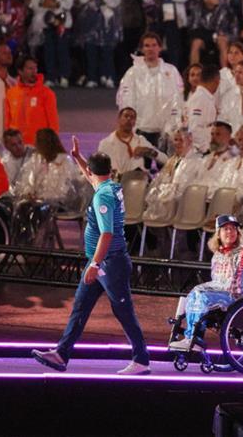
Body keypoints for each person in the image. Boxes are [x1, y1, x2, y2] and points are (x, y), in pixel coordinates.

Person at [32, 146, 151, 375]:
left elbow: (107, 234)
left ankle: (142, 360)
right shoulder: (110, 184)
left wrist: (95, 264)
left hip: (110, 263)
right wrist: (77, 157)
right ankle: (61, 354)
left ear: (93, 172)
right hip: (102, 261)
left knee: (123, 312)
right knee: (80, 307)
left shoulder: (103, 196)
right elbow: (92, 175)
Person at [168, 215, 243, 350]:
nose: (230, 232)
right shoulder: (219, 254)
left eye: (233, 229)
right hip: (223, 294)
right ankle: (184, 336)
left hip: (236, 298)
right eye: (226, 229)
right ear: (218, 234)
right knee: (190, 296)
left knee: (200, 295)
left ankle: (194, 338)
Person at [12, 129, 82, 246]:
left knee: (37, 210)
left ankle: (37, 245)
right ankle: (23, 245)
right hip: (39, 200)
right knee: (21, 207)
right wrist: (28, 192)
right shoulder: (37, 159)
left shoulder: (64, 161)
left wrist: (43, 197)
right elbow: (28, 179)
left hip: (59, 202)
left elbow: (64, 189)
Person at [116, 32, 184, 151]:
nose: (151, 49)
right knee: (140, 167)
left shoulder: (171, 71)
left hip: (165, 130)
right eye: (147, 45)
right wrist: (130, 124)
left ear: (160, 47)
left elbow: (179, 99)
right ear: (142, 49)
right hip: (141, 128)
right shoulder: (133, 73)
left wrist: (174, 124)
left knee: (164, 166)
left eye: (154, 45)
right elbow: (125, 100)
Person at [78, 0, 122, 88]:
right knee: (91, 48)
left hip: (106, 20)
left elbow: (116, 0)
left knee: (107, 49)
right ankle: (92, 77)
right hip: (92, 18)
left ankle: (108, 76)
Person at [29, 0, 74, 88]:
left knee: (62, 48)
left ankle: (64, 76)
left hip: (61, 20)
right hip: (45, 20)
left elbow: (69, 1)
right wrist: (44, 3)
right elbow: (33, 3)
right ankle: (50, 76)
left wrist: (57, 4)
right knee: (49, 49)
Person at [4, 56, 59, 146]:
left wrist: (52, 144)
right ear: (20, 71)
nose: (34, 72)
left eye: (35, 68)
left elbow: (53, 123)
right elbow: (8, 121)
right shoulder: (11, 93)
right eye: (30, 68)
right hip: (18, 147)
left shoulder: (46, 93)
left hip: (40, 146)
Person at [97, 107, 167, 177]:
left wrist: (149, 151)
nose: (129, 119)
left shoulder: (140, 141)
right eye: (126, 116)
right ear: (119, 119)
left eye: (132, 117)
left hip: (137, 184)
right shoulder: (105, 144)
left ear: (134, 123)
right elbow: (99, 171)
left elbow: (166, 160)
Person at [187, 0, 238, 69]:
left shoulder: (226, 9)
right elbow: (193, 30)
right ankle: (194, 72)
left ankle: (225, 74)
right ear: (205, 0)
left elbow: (234, 32)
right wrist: (213, 35)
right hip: (205, 40)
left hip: (223, 39)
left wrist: (224, 36)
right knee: (196, 42)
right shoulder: (197, 10)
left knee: (222, 41)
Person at [184, 64, 220, 154]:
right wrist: (205, 149)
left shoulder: (206, 98)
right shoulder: (200, 99)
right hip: (199, 152)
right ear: (216, 81)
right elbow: (194, 127)